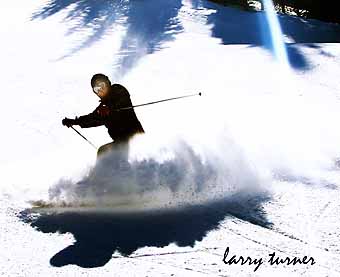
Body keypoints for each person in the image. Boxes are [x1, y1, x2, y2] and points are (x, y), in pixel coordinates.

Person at [62, 73, 144, 162]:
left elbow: (122, 97)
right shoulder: (102, 109)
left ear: (107, 83)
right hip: (121, 144)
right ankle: (104, 174)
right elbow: (92, 119)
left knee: (103, 151)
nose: (100, 90)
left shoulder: (117, 90)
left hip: (135, 138)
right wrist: (75, 122)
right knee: (103, 152)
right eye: (96, 89)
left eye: (101, 85)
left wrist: (109, 107)